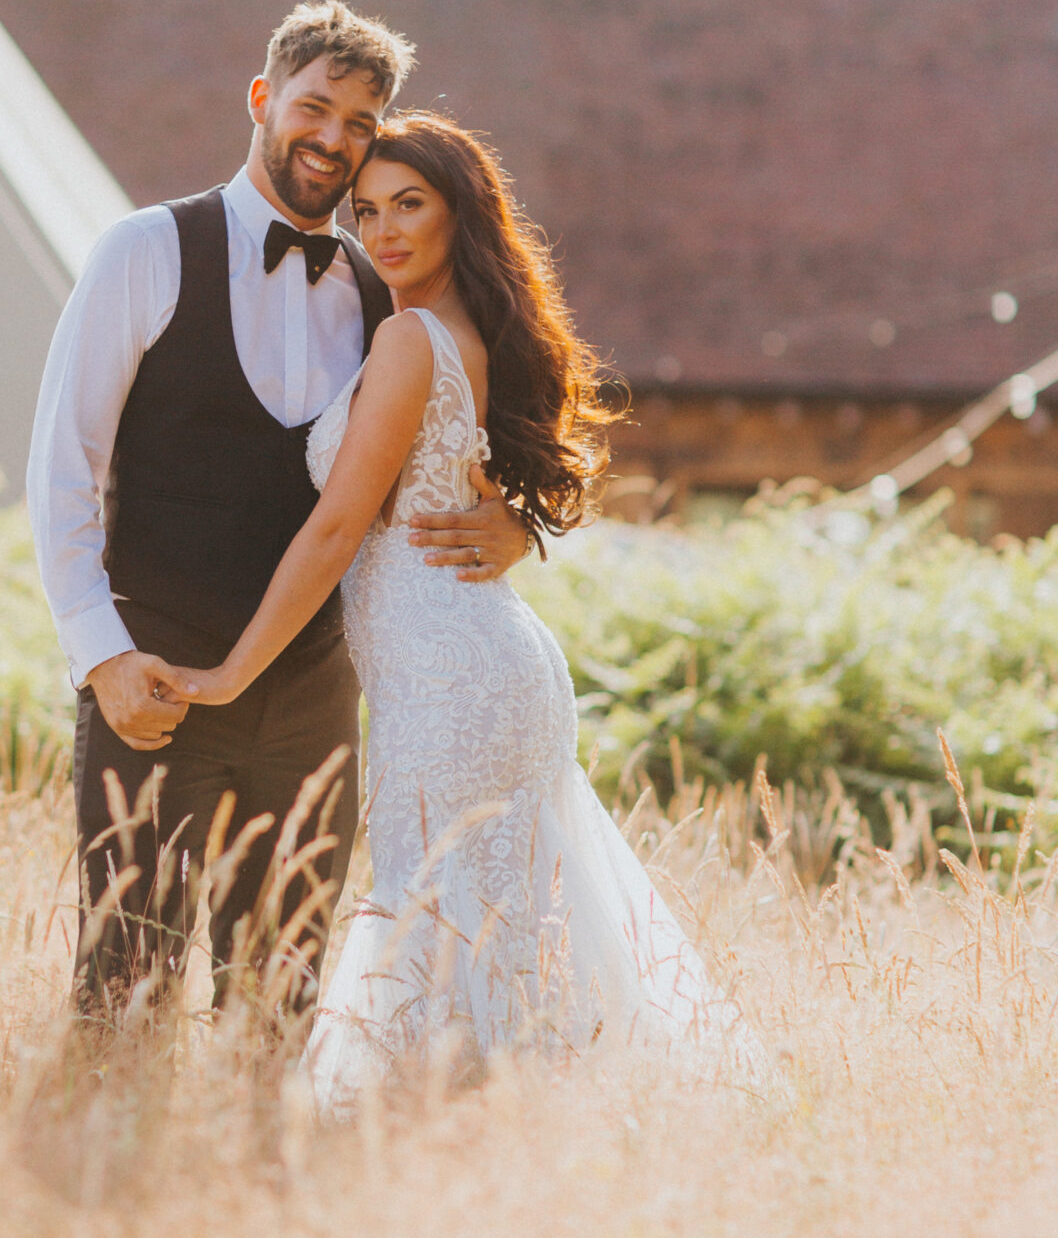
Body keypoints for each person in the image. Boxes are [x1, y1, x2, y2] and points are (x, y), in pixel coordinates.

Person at [158, 112, 740, 1107]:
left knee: (431, 922)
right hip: (492, 656)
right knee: (494, 931)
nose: (381, 230)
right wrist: (516, 519)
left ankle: (405, 1146)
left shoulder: (405, 339)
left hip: (448, 677)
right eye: (365, 210)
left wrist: (229, 672)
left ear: (459, 210)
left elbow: (339, 528)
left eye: (408, 205)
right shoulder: (467, 334)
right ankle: (502, 1143)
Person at [26, 4, 531, 1026]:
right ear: (263, 99)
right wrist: (101, 655)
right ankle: (100, 1182)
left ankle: (258, 1183)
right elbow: (62, 467)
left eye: (361, 120)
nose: (335, 139)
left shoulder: (380, 284)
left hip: (313, 701)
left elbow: (476, 421)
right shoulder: (143, 250)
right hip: (157, 681)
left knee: (284, 1000)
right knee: (128, 984)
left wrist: (519, 521)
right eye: (315, 107)